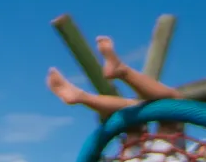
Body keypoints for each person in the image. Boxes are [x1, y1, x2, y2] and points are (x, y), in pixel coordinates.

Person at [47, 35, 186, 116]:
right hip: (164, 159)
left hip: (137, 160)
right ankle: (82, 96)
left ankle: (84, 96)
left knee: (168, 103)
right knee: (169, 103)